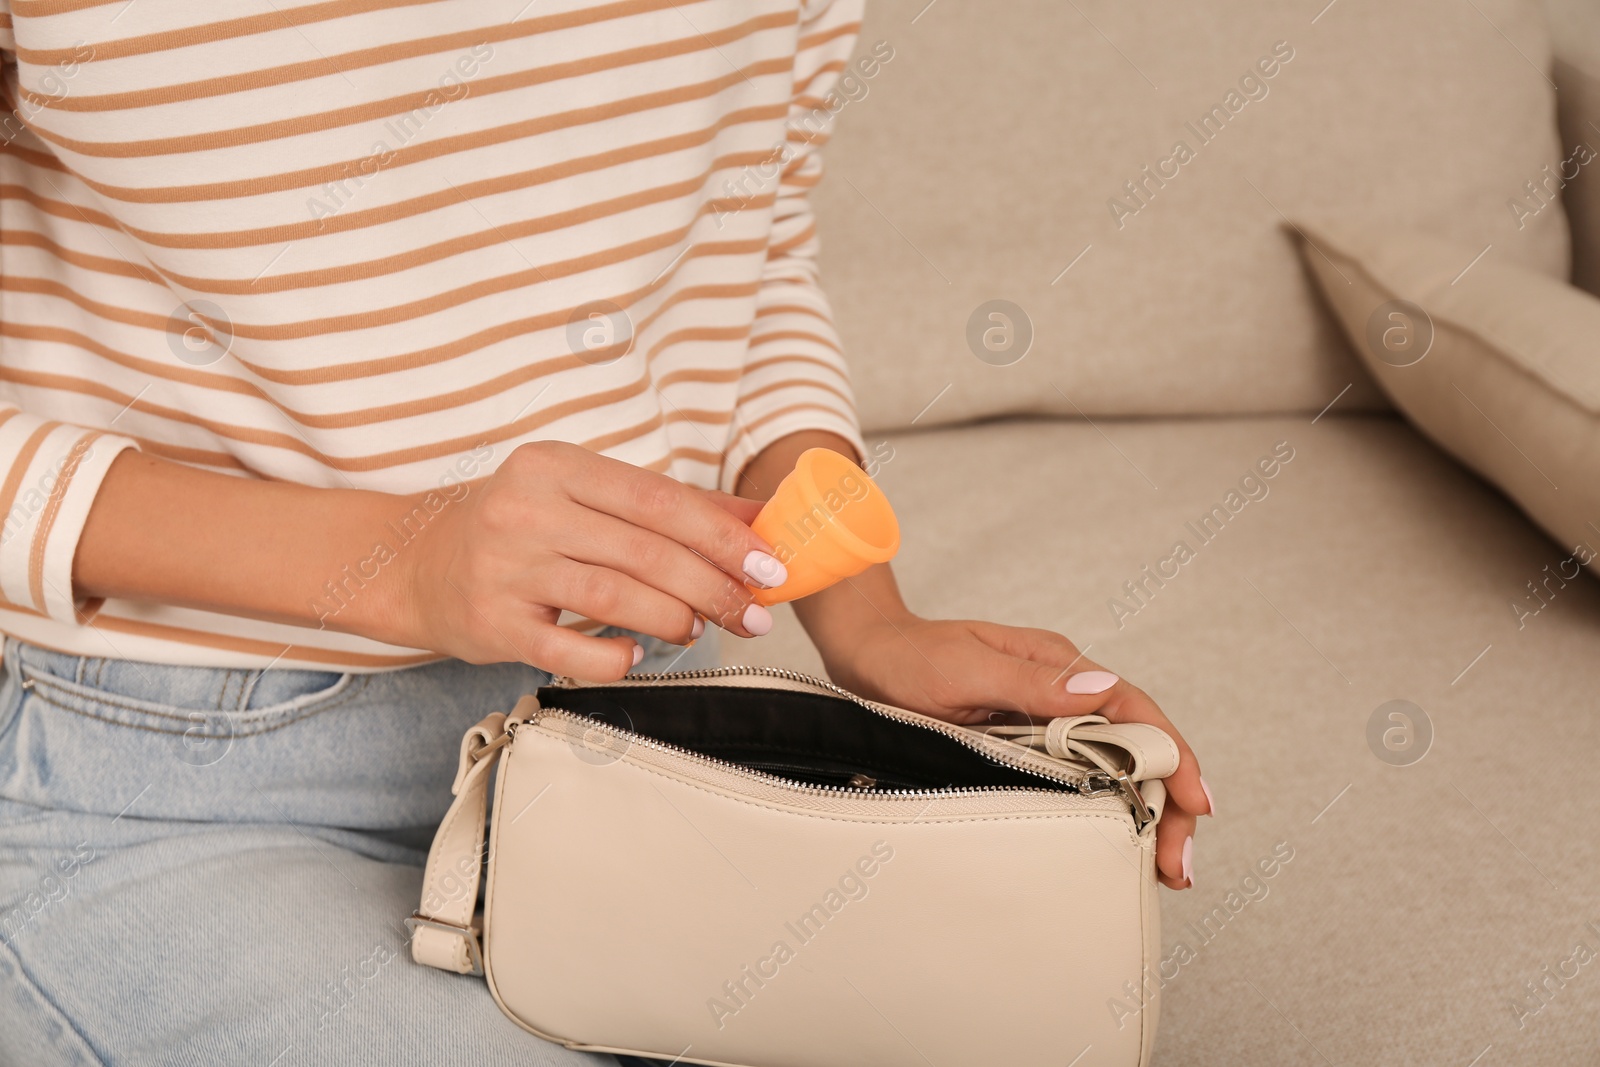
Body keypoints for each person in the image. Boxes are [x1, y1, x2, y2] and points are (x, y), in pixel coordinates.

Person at [0, 1, 1209, 1063]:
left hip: (638, 721)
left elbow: (749, 246)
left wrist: (864, 612)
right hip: (167, 784)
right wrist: (402, 561)